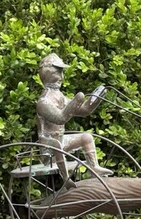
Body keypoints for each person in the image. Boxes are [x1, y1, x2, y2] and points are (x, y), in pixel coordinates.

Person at [36, 53, 112, 183]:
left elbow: (84, 110)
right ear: (47, 75)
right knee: (57, 144)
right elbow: (60, 118)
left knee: (86, 137)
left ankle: (94, 167)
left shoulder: (59, 96)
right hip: (49, 148)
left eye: (62, 74)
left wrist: (96, 99)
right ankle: (66, 179)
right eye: (57, 74)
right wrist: (76, 100)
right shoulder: (43, 102)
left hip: (60, 141)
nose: (61, 77)